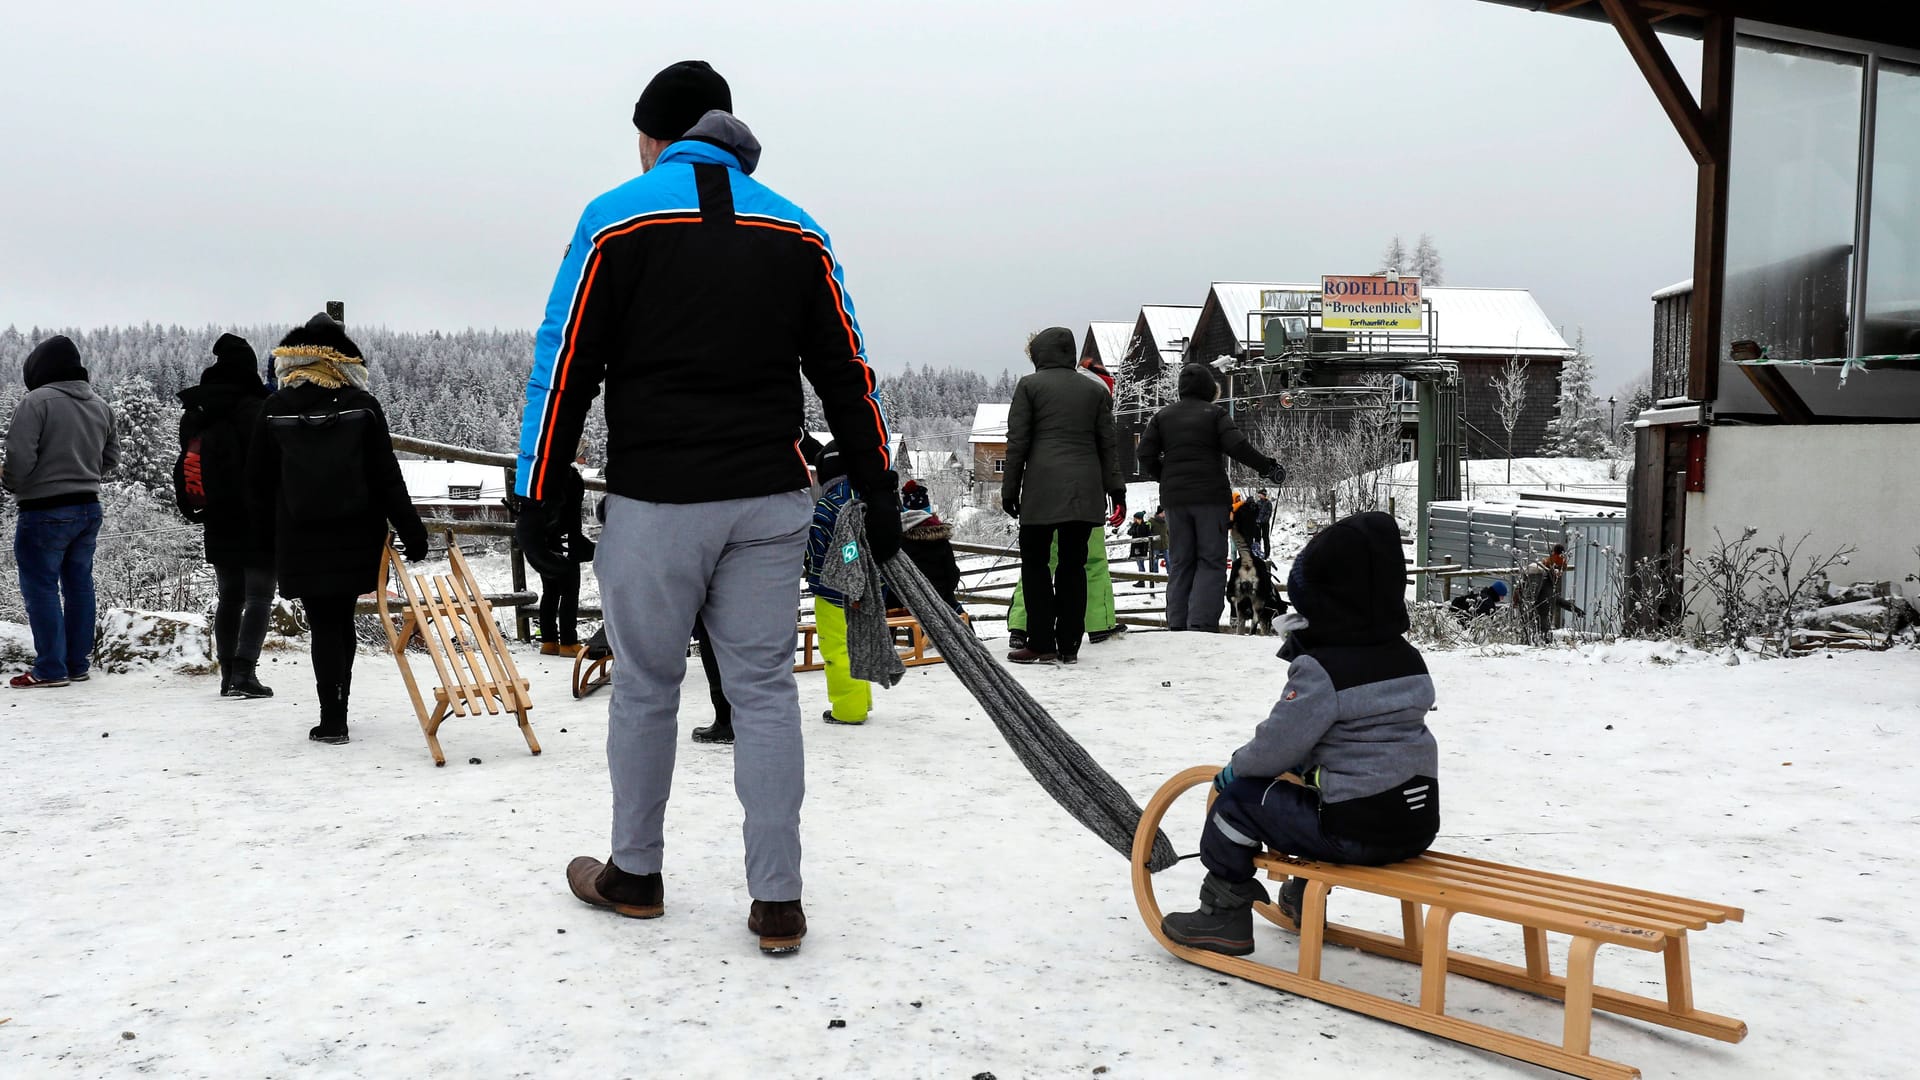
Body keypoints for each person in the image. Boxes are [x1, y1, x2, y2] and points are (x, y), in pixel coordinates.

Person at [518, 61, 895, 955]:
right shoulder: (795, 226)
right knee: (764, 691)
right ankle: (778, 901)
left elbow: (563, 358)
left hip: (658, 500)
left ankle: (636, 875)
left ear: (659, 133)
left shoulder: (618, 216)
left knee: (647, 686)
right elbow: (845, 366)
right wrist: (875, 484)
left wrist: (542, 490)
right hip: (768, 498)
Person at [1161, 511, 1440, 955]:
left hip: (1354, 829)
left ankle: (1223, 912)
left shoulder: (1323, 669)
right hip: (1416, 822)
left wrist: (1236, 769)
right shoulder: (1409, 660)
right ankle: (1302, 896)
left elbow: (1278, 745)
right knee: (1310, 791)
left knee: (1239, 805)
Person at [247, 313, 428, 745]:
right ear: (343, 359)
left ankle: (332, 718)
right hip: (355, 534)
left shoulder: (272, 410)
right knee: (340, 618)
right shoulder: (362, 407)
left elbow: (255, 482)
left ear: (293, 360)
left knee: (323, 620)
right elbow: (387, 477)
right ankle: (337, 713)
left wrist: (261, 542)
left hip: (298, 535)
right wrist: (412, 531)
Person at [1001, 327, 1122, 665]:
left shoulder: (1029, 386)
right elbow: (1107, 447)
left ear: (1040, 353)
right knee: (1074, 566)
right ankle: (1069, 644)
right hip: (1085, 491)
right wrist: (1117, 491)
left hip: (1041, 489)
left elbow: (1018, 442)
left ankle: (1040, 641)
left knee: (1036, 565)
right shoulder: (1095, 391)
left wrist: (1010, 489)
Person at [3, 335, 118, 688]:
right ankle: (76, 664)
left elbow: (20, 458)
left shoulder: (35, 402)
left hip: (44, 511)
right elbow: (111, 459)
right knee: (80, 585)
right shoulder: (101, 405)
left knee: (41, 588)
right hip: (88, 508)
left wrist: (12, 483)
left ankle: (51, 669)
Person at [1137, 363, 1285, 633]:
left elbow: (1144, 454)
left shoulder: (1162, 416)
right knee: (1210, 559)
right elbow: (1237, 446)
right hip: (1210, 498)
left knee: (1181, 560)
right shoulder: (1215, 415)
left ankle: (1178, 624)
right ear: (1209, 390)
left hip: (1175, 501)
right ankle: (1201, 625)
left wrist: (1166, 478)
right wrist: (1267, 468)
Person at [174, 333, 275, 698]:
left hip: (217, 513)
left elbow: (185, 459)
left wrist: (192, 505)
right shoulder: (261, 407)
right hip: (259, 514)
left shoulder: (198, 410)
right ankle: (245, 674)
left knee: (229, 596)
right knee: (260, 596)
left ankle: (227, 673)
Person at [804, 442, 881, 726]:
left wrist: (811, 567)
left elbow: (817, 546)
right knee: (858, 645)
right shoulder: (868, 499)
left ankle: (848, 709)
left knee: (837, 649)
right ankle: (862, 699)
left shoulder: (828, 506)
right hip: (868, 589)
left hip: (833, 591)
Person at [528, 447, 595, 656]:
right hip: (566, 540)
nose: (585, 459)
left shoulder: (542, 472)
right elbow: (572, 512)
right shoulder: (570, 476)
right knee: (569, 591)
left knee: (550, 591)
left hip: (544, 540)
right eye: (583, 454)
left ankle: (548, 641)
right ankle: (568, 642)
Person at [898, 479, 962, 613]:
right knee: (962, 624)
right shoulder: (940, 539)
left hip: (910, 603)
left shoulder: (898, 541)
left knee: (915, 629)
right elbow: (952, 573)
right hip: (941, 600)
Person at [1521, 544, 1583, 644]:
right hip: (1537, 628)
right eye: (1560, 570)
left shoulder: (1548, 577)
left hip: (1537, 627)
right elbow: (1547, 599)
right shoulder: (1544, 576)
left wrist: (1574, 609)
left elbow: (1554, 598)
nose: (1561, 573)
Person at [1126, 511, 1153, 587]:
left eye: (1135, 518)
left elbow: (1146, 535)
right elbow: (1129, 532)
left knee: (1141, 564)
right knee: (1139, 564)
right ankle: (1141, 580)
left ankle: (1142, 580)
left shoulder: (1145, 526)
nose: (1134, 520)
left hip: (1142, 548)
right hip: (1135, 547)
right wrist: (1134, 527)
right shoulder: (1135, 525)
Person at [1253, 488, 1274, 559]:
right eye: (1259, 494)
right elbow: (1255, 512)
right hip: (1257, 524)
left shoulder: (1268, 503)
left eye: (1261, 494)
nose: (1259, 496)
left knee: (1265, 538)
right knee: (1257, 539)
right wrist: (1256, 520)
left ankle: (1267, 554)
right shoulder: (1258, 503)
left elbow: (1268, 514)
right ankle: (1257, 552)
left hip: (1265, 524)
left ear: (1264, 495)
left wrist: (1262, 520)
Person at [1151, 506, 1170, 572]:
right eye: (1164, 512)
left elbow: (1168, 532)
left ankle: (1170, 576)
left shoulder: (1166, 521)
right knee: (1155, 561)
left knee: (1168, 561)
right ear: (1160, 512)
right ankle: (1156, 576)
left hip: (1165, 545)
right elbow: (1148, 532)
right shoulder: (1152, 521)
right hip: (1156, 545)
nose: (1165, 513)